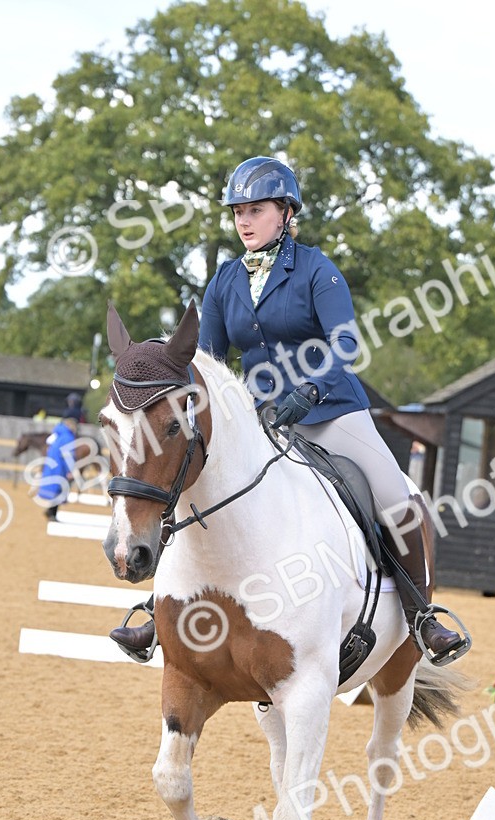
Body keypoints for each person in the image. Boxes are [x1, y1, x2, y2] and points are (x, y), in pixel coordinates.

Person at [110, 156, 468, 665]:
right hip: (260, 421)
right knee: (189, 486)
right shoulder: (225, 280)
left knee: (395, 496)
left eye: (256, 209)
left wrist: (312, 392)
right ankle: (158, 608)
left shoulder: (318, 271)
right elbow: (207, 362)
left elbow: (344, 345)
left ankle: (421, 617)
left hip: (331, 411)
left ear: (285, 212)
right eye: (238, 212)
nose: (244, 221)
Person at [36, 407, 79, 519]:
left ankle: (51, 512)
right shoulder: (68, 437)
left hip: (51, 466)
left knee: (55, 490)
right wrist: (70, 470)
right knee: (60, 490)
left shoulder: (58, 435)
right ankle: (52, 513)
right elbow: (68, 456)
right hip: (61, 468)